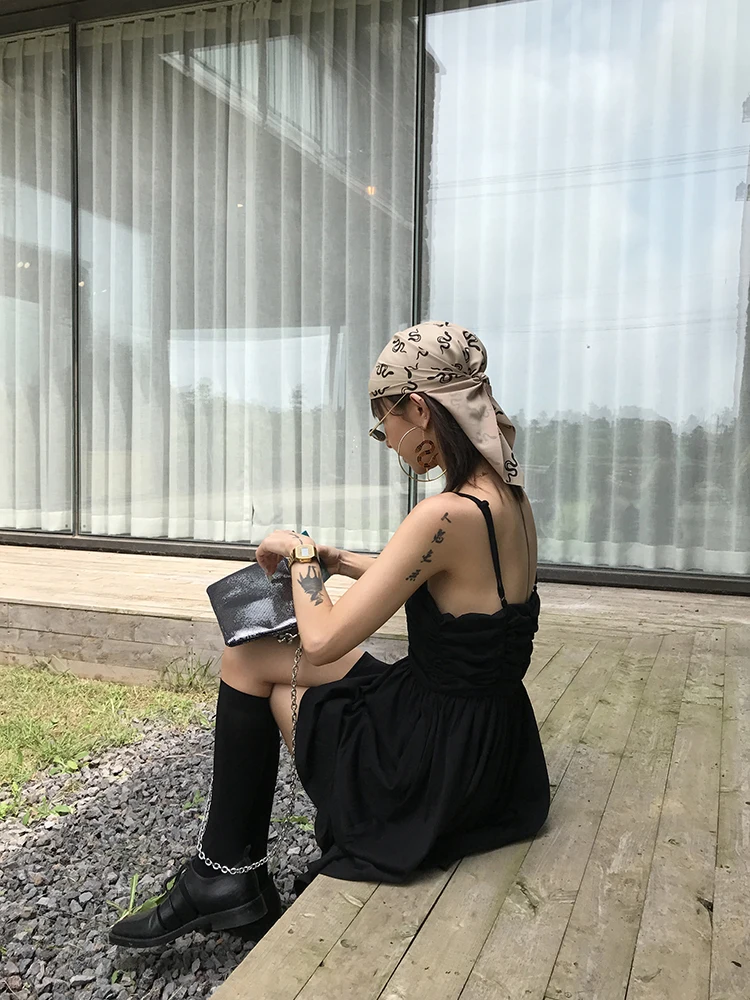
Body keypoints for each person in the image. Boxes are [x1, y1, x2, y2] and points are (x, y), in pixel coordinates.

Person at [109, 321, 550, 949]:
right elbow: (451, 582)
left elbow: (321, 642)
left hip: (434, 767)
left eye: (386, 424)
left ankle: (224, 875)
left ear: (419, 410)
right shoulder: (506, 497)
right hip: (493, 746)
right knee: (259, 661)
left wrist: (300, 558)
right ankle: (224, 876)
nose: (390, 443)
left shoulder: (443, 514)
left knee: (252, 662)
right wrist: (339, 562)